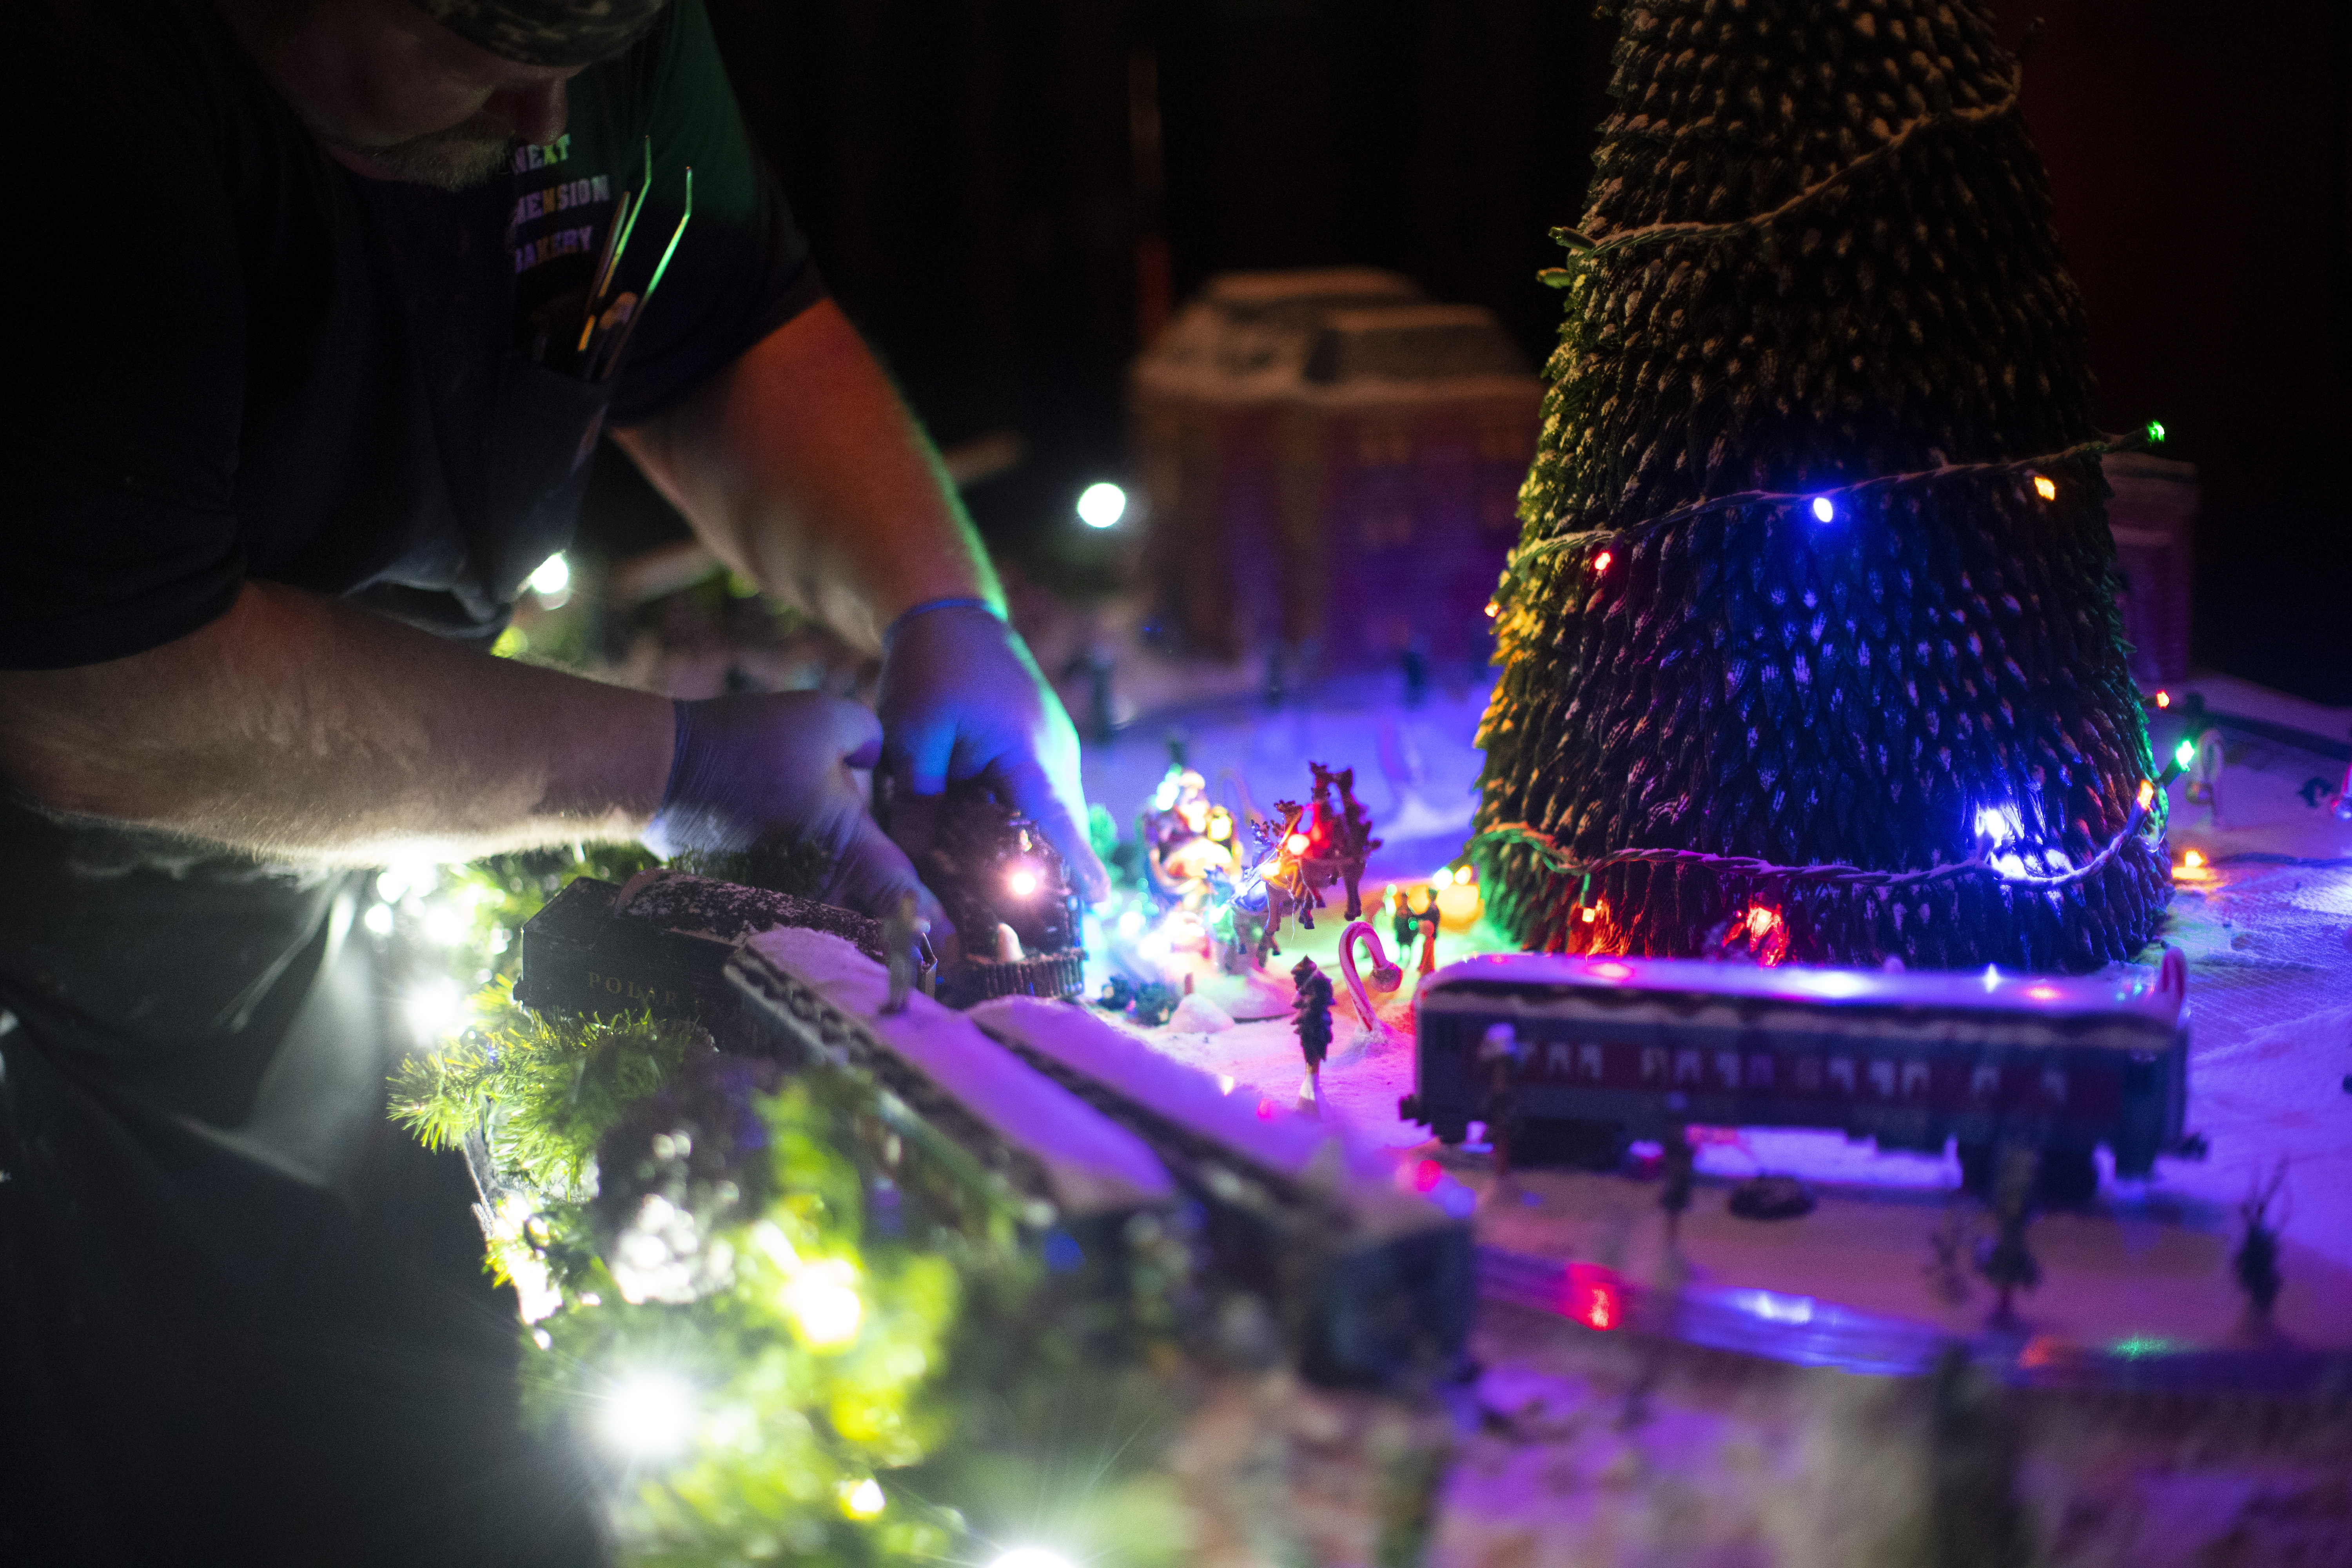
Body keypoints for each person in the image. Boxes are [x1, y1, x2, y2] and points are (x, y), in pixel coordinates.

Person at [0, 0, 1103, 1561]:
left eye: (583, 66)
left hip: (335, 865)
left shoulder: (577, 30)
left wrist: (939, 606)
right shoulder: (72, 93)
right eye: (475, 56)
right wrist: (676, 766)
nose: (542, 122)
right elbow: (104, 697)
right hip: (54, 965)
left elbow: (725, 334)